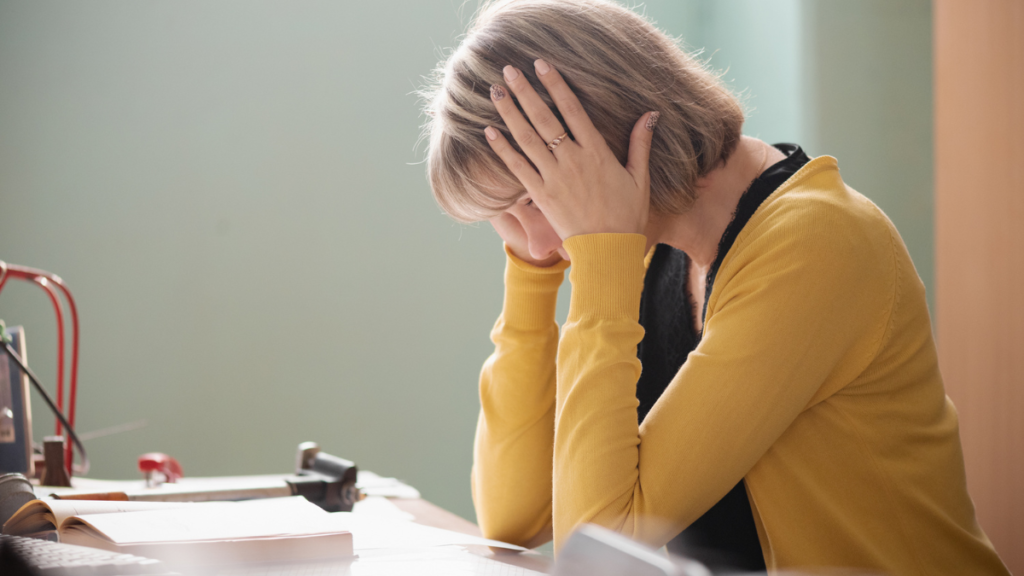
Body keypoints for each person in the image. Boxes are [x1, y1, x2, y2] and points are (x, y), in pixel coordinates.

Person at [420, 0, 1009, 574]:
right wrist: (531, 275)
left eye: (533, 199)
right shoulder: (650, 250)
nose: (541, 245)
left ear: (607, 137)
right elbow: (512, 518)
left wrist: (601, 261)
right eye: (505, 216)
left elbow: (594, 551)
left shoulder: (815, 242)